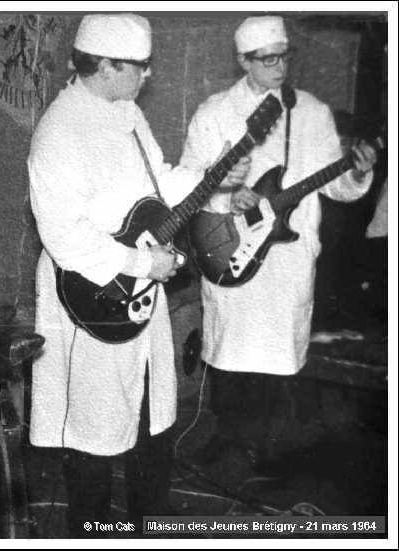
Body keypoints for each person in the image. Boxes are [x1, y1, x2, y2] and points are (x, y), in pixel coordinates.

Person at [27, 14, 250, 536]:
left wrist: (214, 177)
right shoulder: (59, 132)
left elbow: (160, 184)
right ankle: (92, 532)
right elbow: (63, 236)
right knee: (93, 430)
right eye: (138, 66)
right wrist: (141, 264)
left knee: (152, 412)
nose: (147, 75)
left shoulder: (126, 114)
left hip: (139, 284)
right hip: (89, 294)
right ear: (105, 66)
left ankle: (152, 526)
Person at [179, 16, 378, 468]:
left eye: (284, 57)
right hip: (230, 241)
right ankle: (227, 435)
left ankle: (268, 445)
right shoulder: (215, 112)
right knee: (230, 347)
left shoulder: (312, 112)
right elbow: (189, 179)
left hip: (287, 254)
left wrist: (358, 173)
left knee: (278, 355)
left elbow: (337, 186)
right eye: (267, 60)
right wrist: (228, 194)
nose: (280, 67)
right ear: (243, 61)